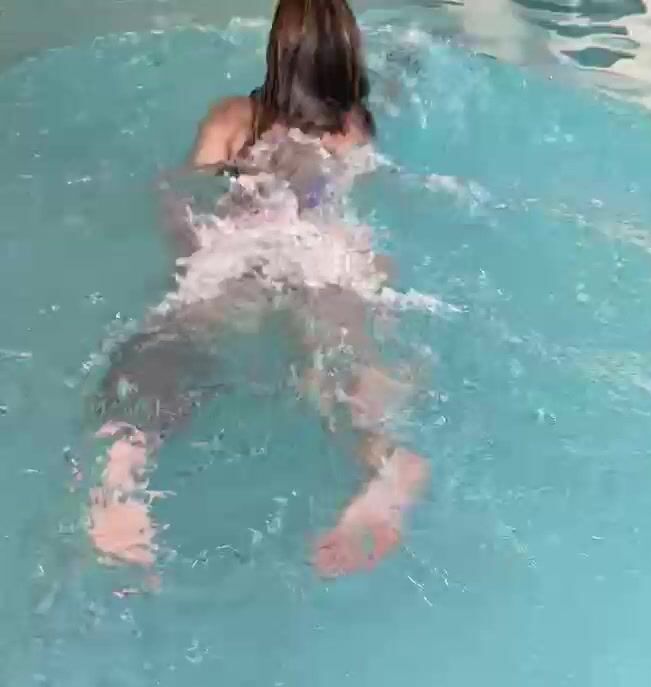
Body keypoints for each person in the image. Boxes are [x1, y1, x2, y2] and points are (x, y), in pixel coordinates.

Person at [89, 0, 428, 578]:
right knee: (340, 360)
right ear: (346, 58)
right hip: (327, 255)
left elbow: (186, 203)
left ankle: (122, 471)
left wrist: (191, 248)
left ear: (278, 55)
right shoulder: (356, 129)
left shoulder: (233, 118)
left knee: (177, 339)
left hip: (247, 247)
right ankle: (385, 454)